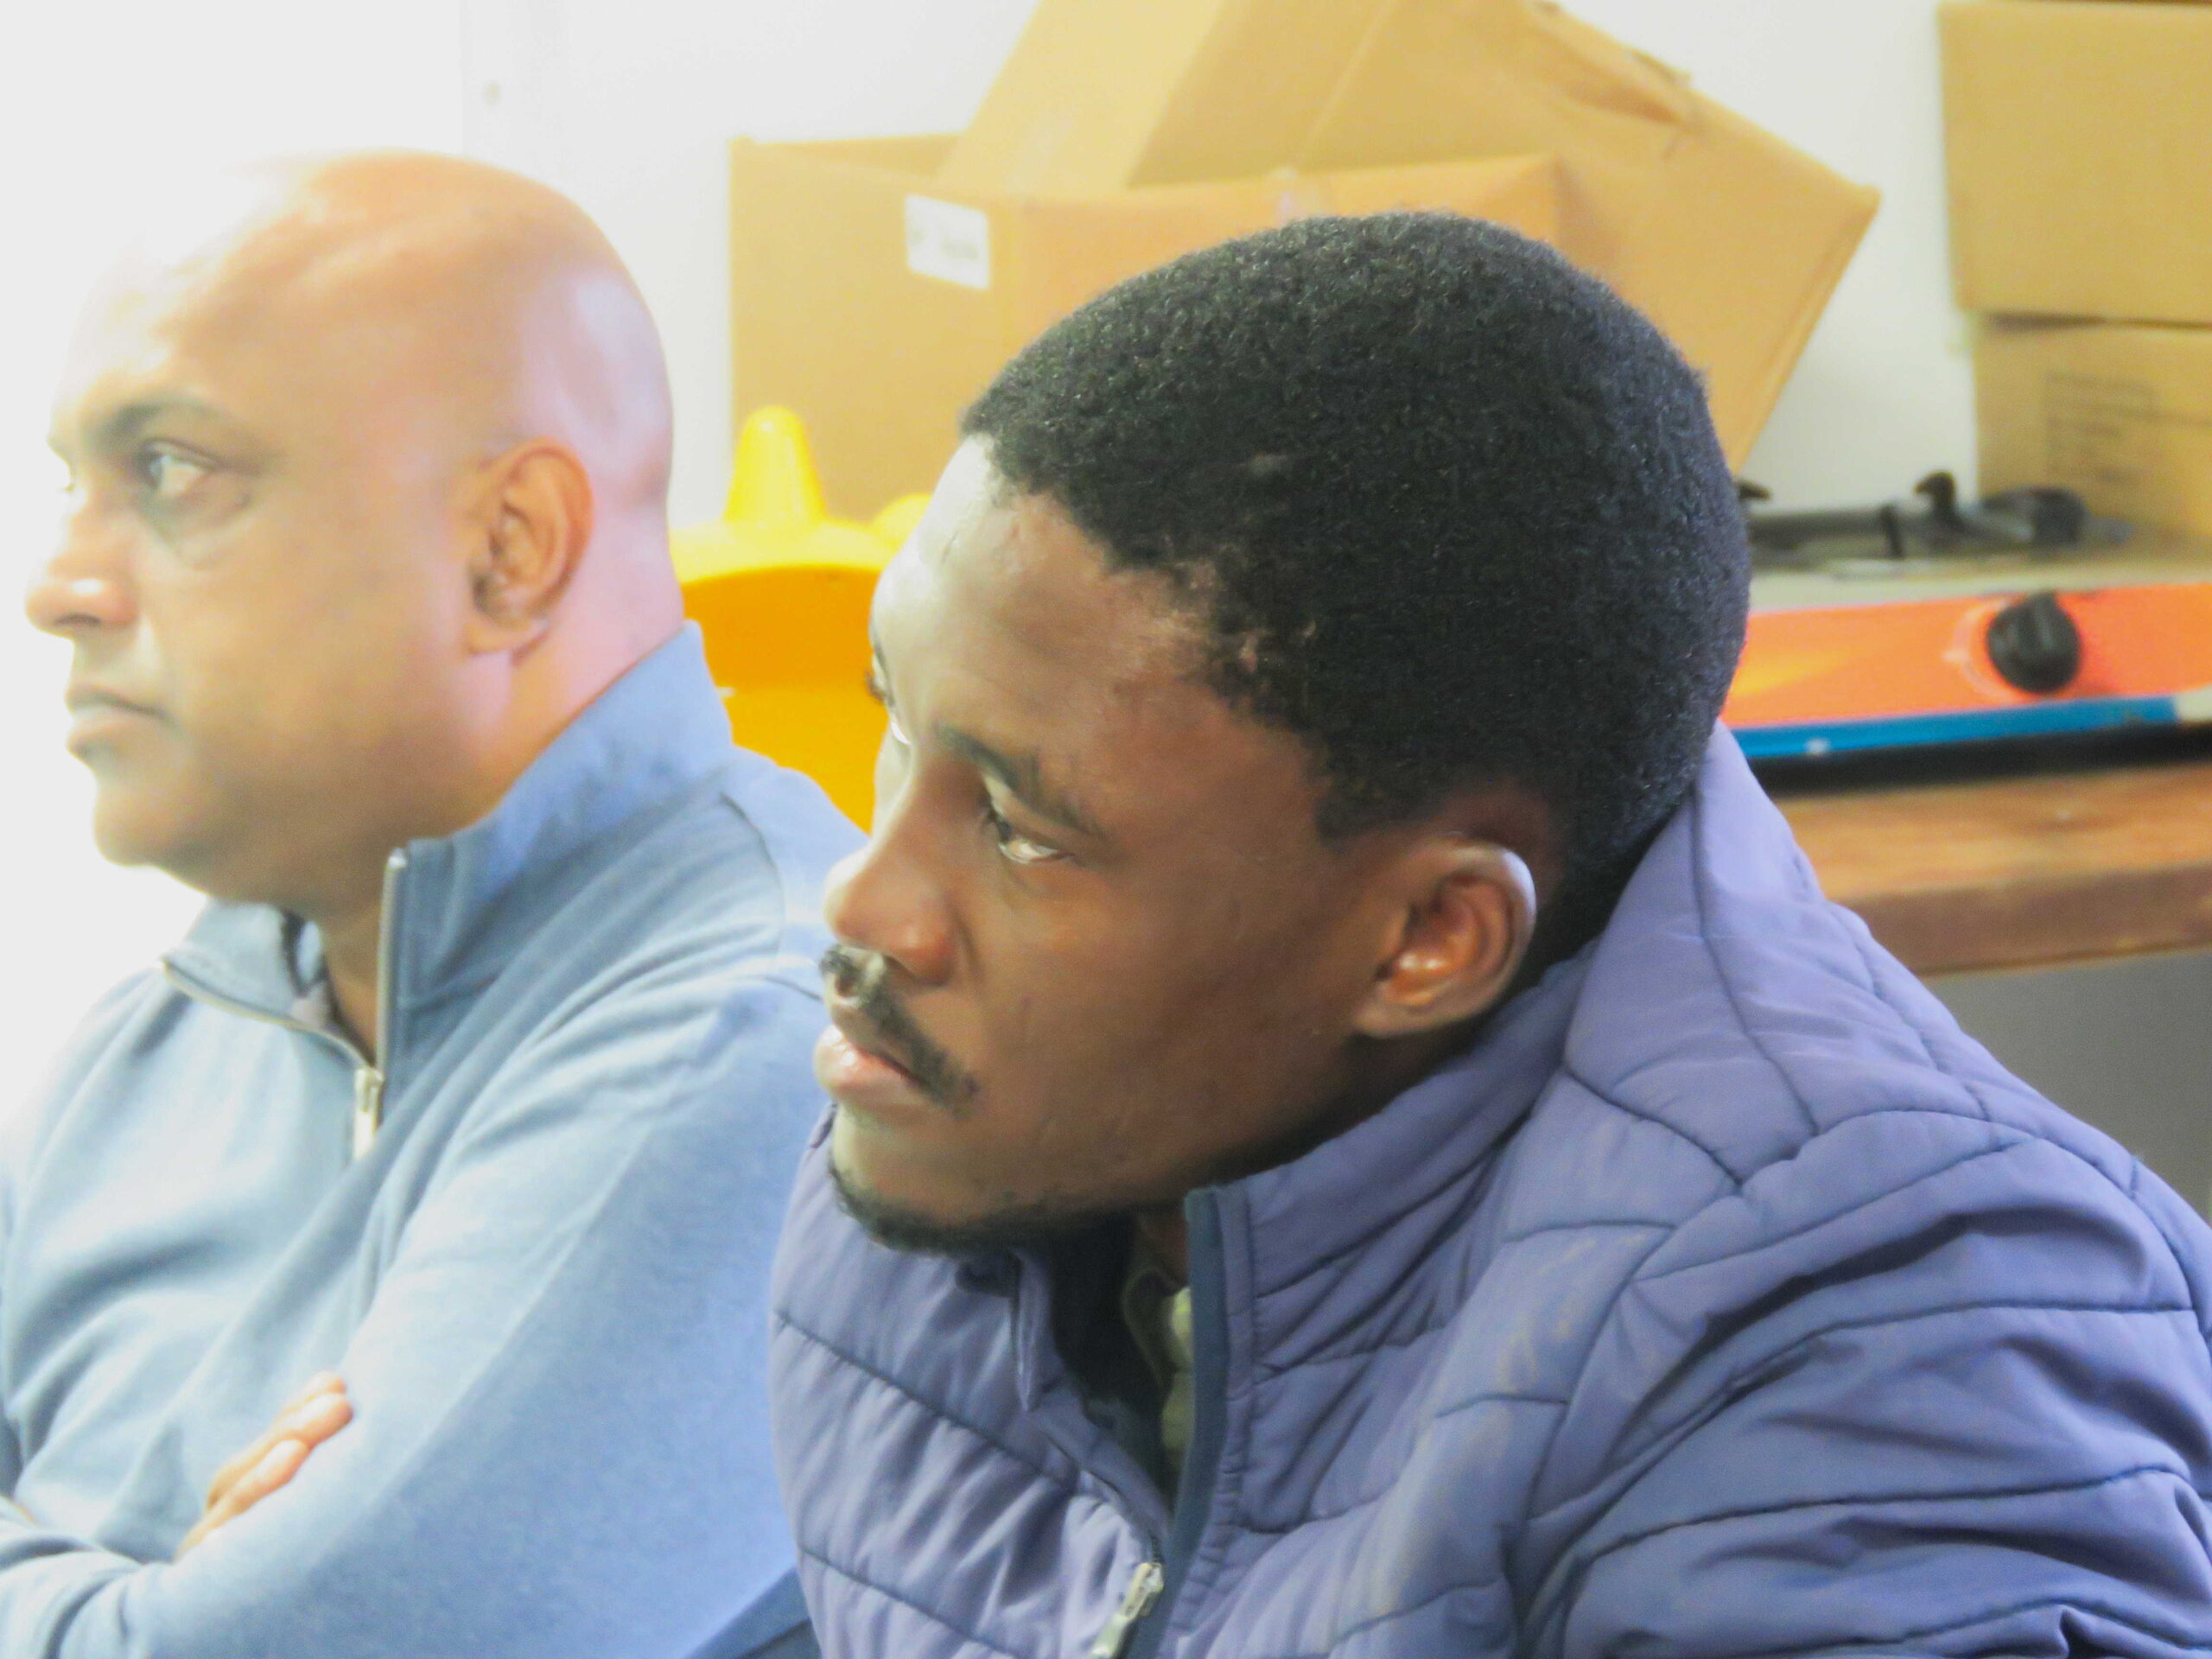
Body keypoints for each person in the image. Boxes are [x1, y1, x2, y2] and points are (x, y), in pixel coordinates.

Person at [770, 213, 2212, 1659]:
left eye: (1020, 827)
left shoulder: (1869, 1357)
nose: (865, 902)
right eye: (897, 720)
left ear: (1427, 941)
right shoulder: (957, 1147)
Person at [19, 151, 848, 1657]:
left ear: (508, 551)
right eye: (72, 485)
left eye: (173, 474)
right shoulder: (169, 1032)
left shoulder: (754, 1045)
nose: (60, 585)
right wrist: (131, 1611)